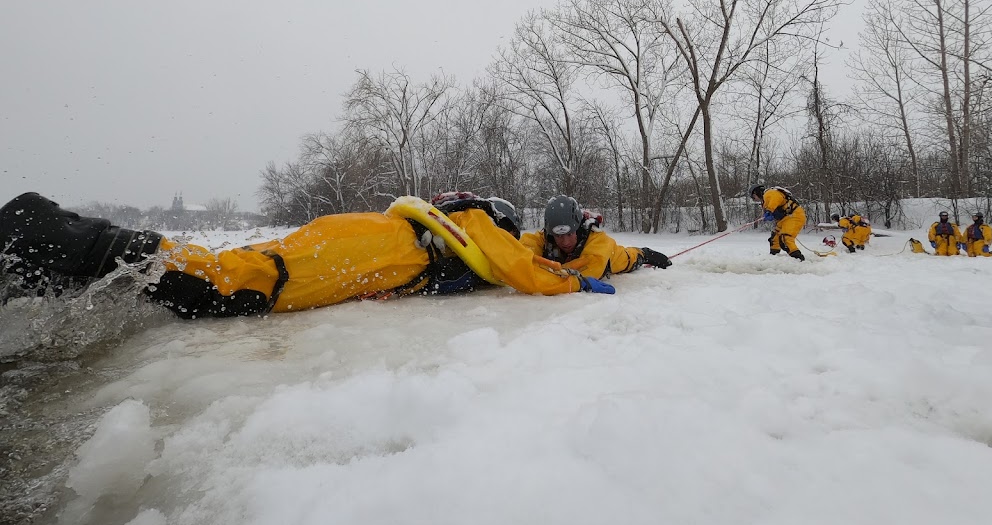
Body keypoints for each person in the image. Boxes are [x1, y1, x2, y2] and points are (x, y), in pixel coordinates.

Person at [0, 191, 615, 319]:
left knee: (251, 263)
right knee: (243, 282)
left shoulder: (442, 228)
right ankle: (45, 236)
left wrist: (626, 258)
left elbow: (533, 253)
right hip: (366, 248)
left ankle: (49, 257)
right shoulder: (475, 224)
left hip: (360, 239)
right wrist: (578, 287)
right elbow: (520, 267)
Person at [518, 195, 672, 278]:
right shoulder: (543, 237)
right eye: (559, 236)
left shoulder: (598, 241)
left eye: (570, 234)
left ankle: (644, 253)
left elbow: (587, 271)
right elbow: (522, 253)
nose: (564, 241)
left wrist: (543, 271)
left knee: (629, 256)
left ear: (577, 228)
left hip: (615, 256)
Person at [750, 184, 806, 261]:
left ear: (756, 193)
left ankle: (798, 259)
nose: (754, 200)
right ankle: (773, 257)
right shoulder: (765, 200)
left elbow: (776, 198)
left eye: (753, 197)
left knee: (785, 238)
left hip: (794, 216)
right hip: (785, 219)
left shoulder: (769, 193)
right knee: (775, 237)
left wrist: (769, 210)